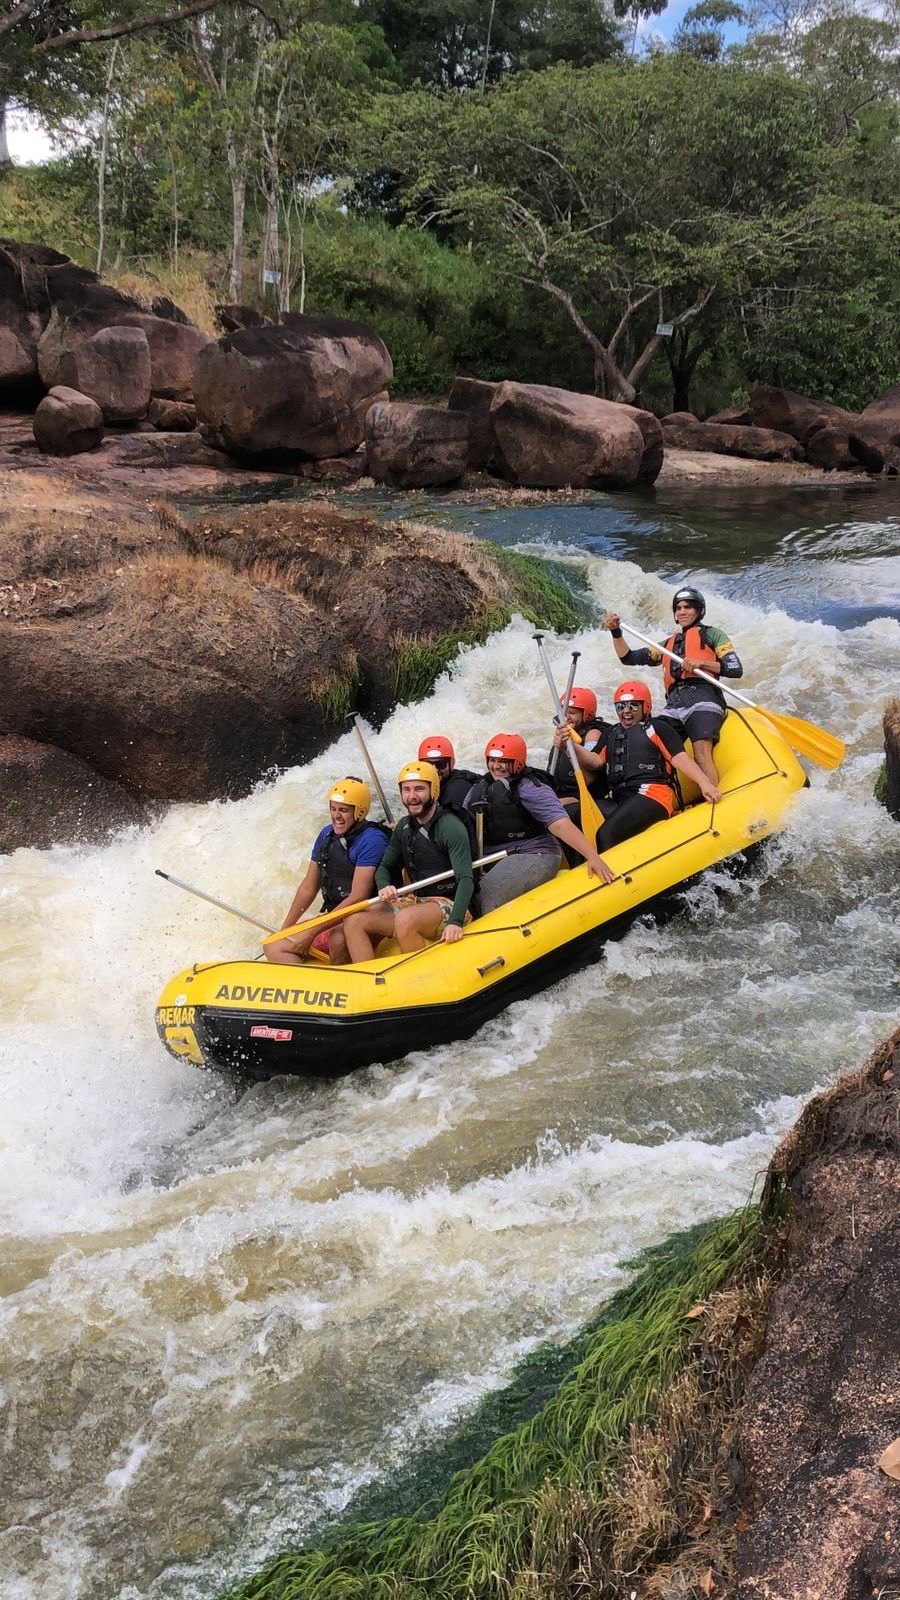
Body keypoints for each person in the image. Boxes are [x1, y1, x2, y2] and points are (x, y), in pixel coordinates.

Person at [556, 680, 721, 851]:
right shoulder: (611, 732)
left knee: (606, 834)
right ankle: (580, 868)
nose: (626, 711)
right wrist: (569, 745)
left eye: (633, 706)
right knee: (570, 814)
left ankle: (612, 874)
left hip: (652, 796)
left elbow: (680, 759)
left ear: (646, 707)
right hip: (620, 799)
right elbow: (595, 761)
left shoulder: (657, 728)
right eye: (620, 707)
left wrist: (704, 783)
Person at [603, 587, 743, 785]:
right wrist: (615, 632)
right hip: (675, 704)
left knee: (701, 752)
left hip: (704, 697)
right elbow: (628, 657)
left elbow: (734, 668)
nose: (682, 611)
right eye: (678, 608)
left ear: (700, 611)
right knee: (650, 743)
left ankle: (714, 799)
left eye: (688, 607)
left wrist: (701, 663)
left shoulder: (713, 635)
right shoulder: (667, 644)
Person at [465, 733, 615, 916]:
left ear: (518, 762)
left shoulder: (530, 788)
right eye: (492, 760)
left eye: (503, 761)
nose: (496, 766)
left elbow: (560, 825)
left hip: (534, 854)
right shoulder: (479, 788)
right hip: (491, 856)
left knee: (486, 896)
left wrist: (592, 856)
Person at [343, 761, 476, 961]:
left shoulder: (450, 826)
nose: (412, 797)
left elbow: (466, 878)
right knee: (354, 921)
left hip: (452, 904)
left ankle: (421, 979)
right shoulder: (404, 827)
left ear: (434, 790)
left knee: (405, 920)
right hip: (418, 901)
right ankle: (370, 983)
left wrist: (455, 922)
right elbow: (384, 868)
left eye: (419, 789)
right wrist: (384, 885)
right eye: (406, 790)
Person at [264, 777, 389, 966]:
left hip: (365, 915)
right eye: (333, 808)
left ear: (360, 812)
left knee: (337, 939)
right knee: (273, 944)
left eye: (344, 810)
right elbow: (308, 887)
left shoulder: (372, 840)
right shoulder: (326, 835)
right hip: (335, 914)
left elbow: (358, 897)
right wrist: (286, 929)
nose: (336, 816)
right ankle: (311, 988)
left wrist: (312, 932)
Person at [549, 686, 611, 815]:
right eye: (564, 712)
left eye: (572, 712)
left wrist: (568, 746)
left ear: (587, 714)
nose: (567, 717)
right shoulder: (563, 733)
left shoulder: (593, 733)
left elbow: (590, 766)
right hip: (561, 791)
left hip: (581, 795)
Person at [417, 735, 480, 809]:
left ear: (451, 763)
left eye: (441, 764)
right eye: (428, 765)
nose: (434, 770)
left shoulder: (458, 789)